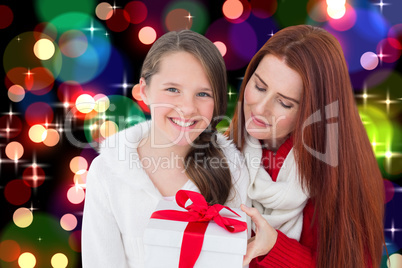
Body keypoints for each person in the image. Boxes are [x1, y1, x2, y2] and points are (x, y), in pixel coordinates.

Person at [82, 30, 250, 267]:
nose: (187, 107)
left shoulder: (233, 171)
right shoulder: (107, 172)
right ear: (144, 90)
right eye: (172, 90)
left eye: (203, 94)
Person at [226, 25, 385, 267]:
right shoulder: (226, 148)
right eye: (259, 86)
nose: (260, 109)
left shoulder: (339, 175)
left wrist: (274, 247)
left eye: (284, 103)